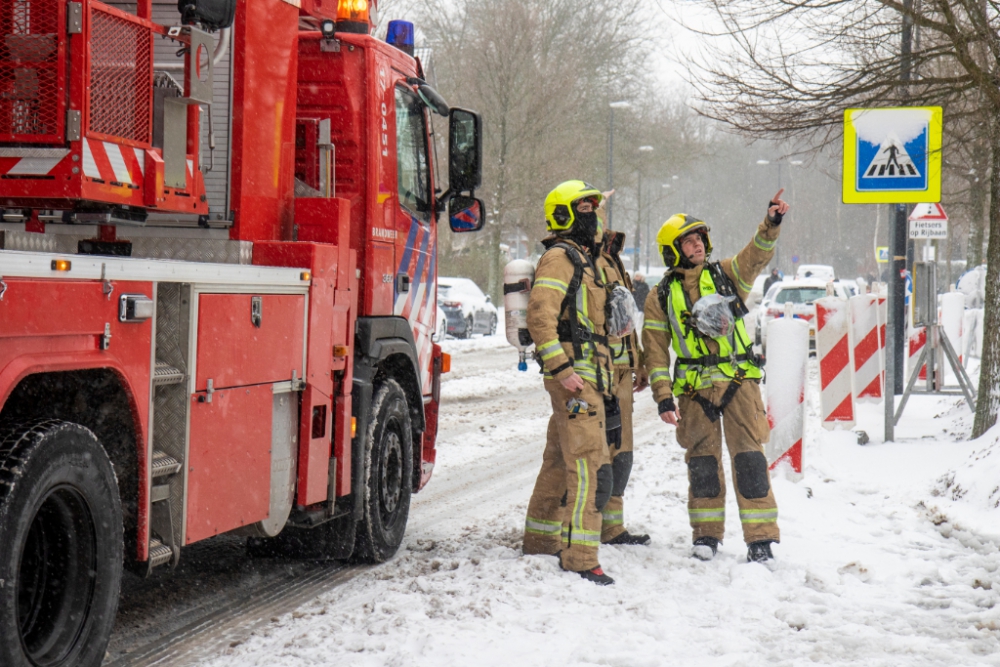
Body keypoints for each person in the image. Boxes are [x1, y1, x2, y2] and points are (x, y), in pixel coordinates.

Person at [642, 189, 789, 563]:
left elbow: (755, 256)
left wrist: (770, 223)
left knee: (750, 460)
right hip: (695, 394)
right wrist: (662, 396)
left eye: (699, 238)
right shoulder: (660, 296)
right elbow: (655, 352)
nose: (696, 245)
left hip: (739, 384)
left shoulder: (726, 274)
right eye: (688, 241)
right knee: (702, 464)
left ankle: (760, 540)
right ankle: (706, 535)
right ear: (672, 250)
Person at [522, 180, 616, 585]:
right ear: (563, 215)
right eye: (584, 208)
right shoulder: (561, 258)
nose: (592, 215)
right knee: (588, 465)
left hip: (585, 376)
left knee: (560, 461)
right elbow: (541, 315)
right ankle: (580, 557)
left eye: (594, 207)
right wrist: (562, 370)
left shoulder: (583, 256)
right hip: (574, 379)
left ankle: (541, 541)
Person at [595, 227, 650, 547]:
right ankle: (586, 524)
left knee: (621, 453)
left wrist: (639, 361)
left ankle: (612, 528)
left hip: (622, 375)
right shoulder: (589, 261)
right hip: (600, 373)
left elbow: (626, 322)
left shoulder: (616, 263)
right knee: (596, 452)